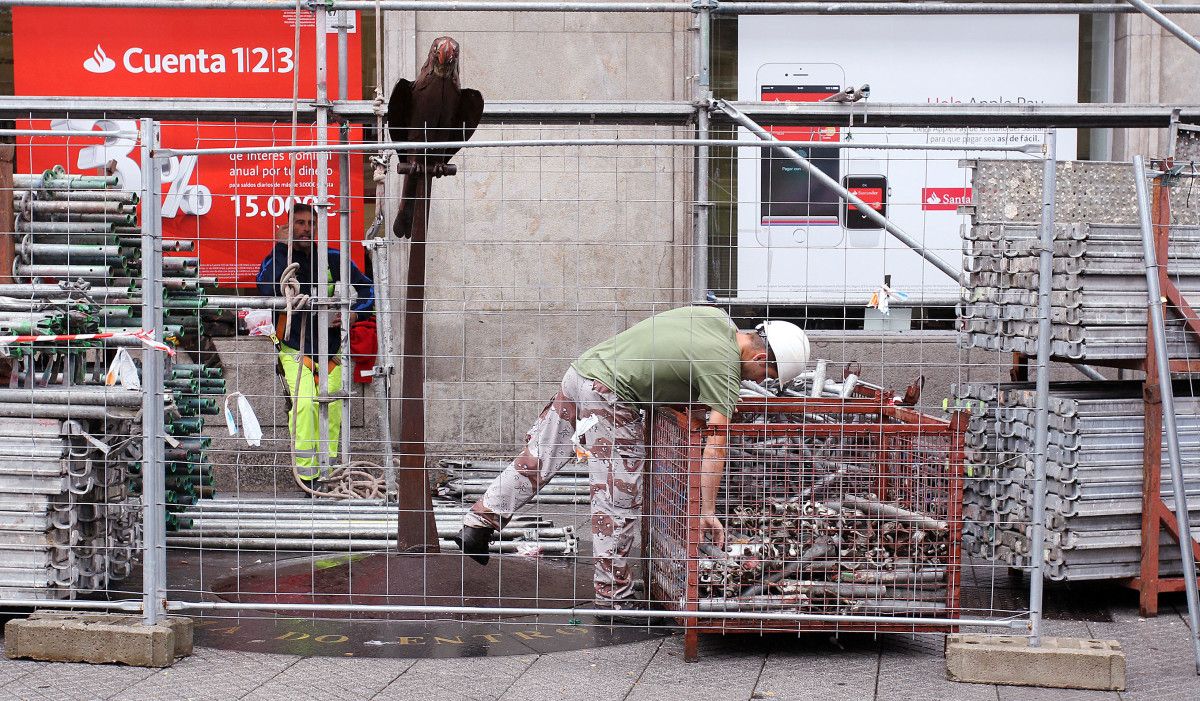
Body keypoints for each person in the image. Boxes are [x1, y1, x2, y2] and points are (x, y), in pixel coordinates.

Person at [452, 305, 810, 618]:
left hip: (583, 371)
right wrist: (706, 509)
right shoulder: (724, 370)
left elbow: (669, 355)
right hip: (611, 394)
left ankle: (478, 522)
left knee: (540, 456)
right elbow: (715, 445)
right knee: (617, 497)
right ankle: (614, 600)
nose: (758, 382)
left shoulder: (714, 317)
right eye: (767, 376)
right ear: (761, 358)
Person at [255, 203, 375, 483]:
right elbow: (266, 286)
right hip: (295, 348)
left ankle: (327, 471)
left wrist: (354, 313)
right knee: (306, 405)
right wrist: (281, 248)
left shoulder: (332, 258)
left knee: (332, 408)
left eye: (310, 223)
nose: (305, 228)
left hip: (332, 351)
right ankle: (306, 476)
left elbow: (369, 289)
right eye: (299, 223)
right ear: (288, 226)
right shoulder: (277, 259)